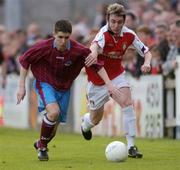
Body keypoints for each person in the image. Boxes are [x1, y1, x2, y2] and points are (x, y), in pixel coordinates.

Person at [16, 20, 118, 161]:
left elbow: (97, 66)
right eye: (60, 37)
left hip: (64, 88)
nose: (63, 41)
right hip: (45, 83)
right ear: (54, 35)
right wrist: (21, 87)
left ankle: (41, 143)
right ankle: (43, 149)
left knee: (53, 129)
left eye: (66, 37)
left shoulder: (79, 50)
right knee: (53, 113)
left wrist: (109, 84)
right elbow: (24, 61)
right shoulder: (43, 47)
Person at [81, 3, 152, 158]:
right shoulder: (103, 34)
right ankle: (86, 124)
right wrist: (93, 53)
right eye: (113, 21)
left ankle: (131, 146)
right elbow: (94, 46)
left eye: (120, 22)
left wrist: (147, 63)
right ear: (108, 19)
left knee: (127, 103)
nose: (116, 25)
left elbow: (146, 52)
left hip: (116, 76)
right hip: (97, 81)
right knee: (95, 119)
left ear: (124, 21)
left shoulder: (129, 35)